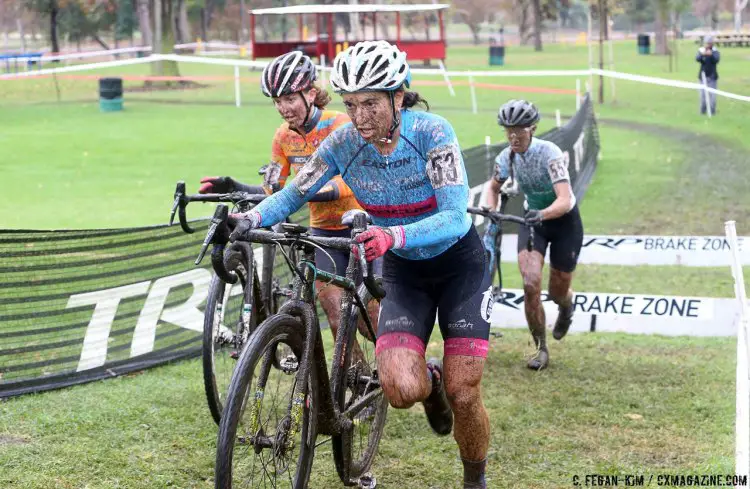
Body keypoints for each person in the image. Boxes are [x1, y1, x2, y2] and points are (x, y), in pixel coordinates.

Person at [231, 40, 493, 489]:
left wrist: (394, 235)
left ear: (398, 95)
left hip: (459, 267)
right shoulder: (344, 142)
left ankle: (474, 479)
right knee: (399, 389)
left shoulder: (432, 132)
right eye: (351, 104)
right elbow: (295, 193)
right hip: (406, 272)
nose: (360, 116)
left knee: (463, 391)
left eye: (371, 102)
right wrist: (248, 218)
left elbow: (454, 216)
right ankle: (426, 377)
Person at [198, 50, 378, 352]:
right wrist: (234, 185)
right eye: (277, 101)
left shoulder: (341, 124)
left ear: (310, 92)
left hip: (360, 227)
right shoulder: (283, 136)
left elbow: (350, 185)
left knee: (367, 320)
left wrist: (305, 191)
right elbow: (275, 192)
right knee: (336, 315)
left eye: (290, 99)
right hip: (323, 234)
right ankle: (350, 384)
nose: (283, 108)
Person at [485, 99, 583, 371]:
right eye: (508, 130)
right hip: (532, 222)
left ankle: (566, 306)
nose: (513, 136)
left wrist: (542, 213)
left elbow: (564, 199)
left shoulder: (549, 153)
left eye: (519, 130)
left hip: (564, 222)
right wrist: (489, 210)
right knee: (530, 284)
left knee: (556, 290)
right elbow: (492, 188)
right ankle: (541, 348)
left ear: (532, 129)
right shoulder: (506, 158)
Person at [696, 35, 720, 115]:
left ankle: (712, 112)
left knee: (713, 98)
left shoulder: (715, 51)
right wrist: (703, 54)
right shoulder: (701, 50)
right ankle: (702, 112)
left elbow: (717, 60)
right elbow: (697, 59)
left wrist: (711, 55)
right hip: (703, 77)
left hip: (712, 77)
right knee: (703, 97)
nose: (708, 45)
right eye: (707, 43)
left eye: (710, 43)